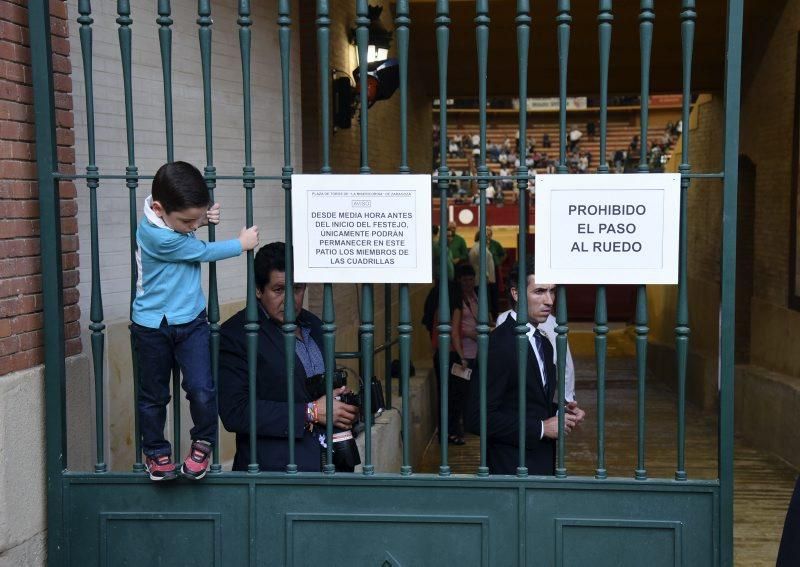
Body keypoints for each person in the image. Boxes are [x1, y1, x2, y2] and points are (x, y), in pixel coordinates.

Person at [130, 161, 259, 481]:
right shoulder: (154, 234)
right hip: (151, 325)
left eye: (194, 218)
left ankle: (203, 441)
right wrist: (240, 244)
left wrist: (198, 219)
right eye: (187, 220)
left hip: (190, 321)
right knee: (153, 396)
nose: (192, 224)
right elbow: (199, 251)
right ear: (159, 209)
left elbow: (183, 231)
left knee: (202, 388)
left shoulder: (168, 222)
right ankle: (156, 451)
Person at [218, 242, 358, 472]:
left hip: (330, 464)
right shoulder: (236, 334)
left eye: (297, 288)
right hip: (274, 470)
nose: (290, 299)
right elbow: (235, 411)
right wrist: (310, 412)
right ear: (258, 290)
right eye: (279, 290)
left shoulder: (315, 324)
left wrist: (341, 406)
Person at [466, 258, 585, 475]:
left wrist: (561, 412)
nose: (549, 300)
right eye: (539, 291)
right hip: (510, 468)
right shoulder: (499, 345)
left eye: (552, 291)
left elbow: (527, 402)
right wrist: (541, 429)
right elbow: (476, 417)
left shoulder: (544, 342)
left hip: (540, 464)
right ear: (516, 294)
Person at [469, 231, 496, 320]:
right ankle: (487, 319)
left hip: (480, 278)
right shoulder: (480, 247)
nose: (488, 239)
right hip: (482, 278)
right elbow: (483, 264)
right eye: (486, 237)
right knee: (484, 300)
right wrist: (487, 276)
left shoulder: (477, 247)